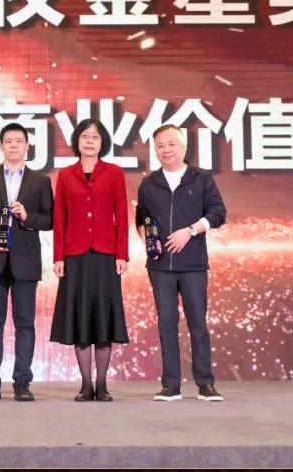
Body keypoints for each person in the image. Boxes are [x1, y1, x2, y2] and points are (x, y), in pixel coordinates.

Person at [135, 124, 227, 402]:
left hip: (193, 264)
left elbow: (218, 213)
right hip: (160, 266)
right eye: (160, 146)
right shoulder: (149, 183)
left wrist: (190, 231)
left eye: (171, 144)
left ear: (183, 146)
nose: (166, 150)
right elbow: (142, 219)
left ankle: (205, 384)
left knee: (198, 323)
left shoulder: (201, 178)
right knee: (166, 325)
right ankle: (171, 385)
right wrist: (149, 241)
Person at [0, 123, 54, 402]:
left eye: (19, 141)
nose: (14, 145)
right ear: (1, 146)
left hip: (25, 261)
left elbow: (50, 220)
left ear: (27, 146)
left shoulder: (40, 181)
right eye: (9, 141)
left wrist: (28, 217)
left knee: (25, 324)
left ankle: (22, 382)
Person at [49, 119, 130, 402]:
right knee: (81, 320)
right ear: (77, 141)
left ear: (102, 142)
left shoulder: (114, 173)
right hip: (75, 256)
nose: (90, 141)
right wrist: (58, 256)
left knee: (103, 320)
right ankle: (86, 385)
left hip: (106, 255)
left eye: (95, 137)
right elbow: (60, 217)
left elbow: (122, 214)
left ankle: (102, 384)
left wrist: (122, 254)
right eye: (85, 136)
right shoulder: (66, 174)